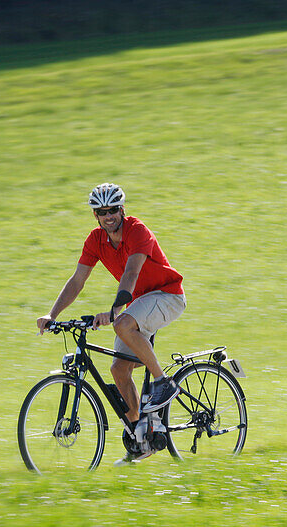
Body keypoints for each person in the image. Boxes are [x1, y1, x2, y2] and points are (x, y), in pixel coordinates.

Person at [37, 183, 187, 462]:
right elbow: (77, 280)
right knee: (119, 369)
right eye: (102, 211)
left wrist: (115, 310)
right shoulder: (95, 240)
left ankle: (163, 382)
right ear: (95, 215)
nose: (109, 216)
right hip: (138, 302)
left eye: (114, 210)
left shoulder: (137, 230)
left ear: (122, 209)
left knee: (122, 324)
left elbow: (131, 273)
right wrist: (52, 315)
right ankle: (143, 438)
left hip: (167, 295)